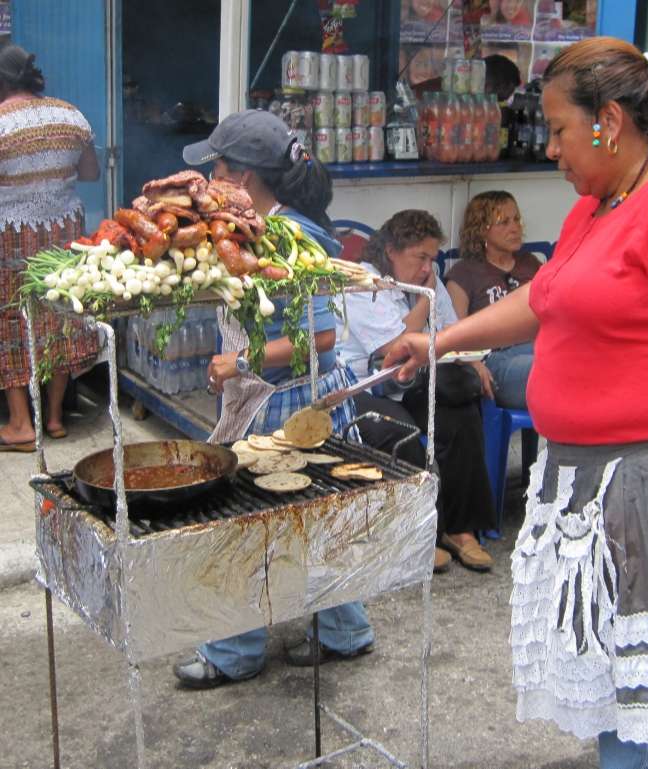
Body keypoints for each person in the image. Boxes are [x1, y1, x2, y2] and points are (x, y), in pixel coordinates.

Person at [383, 38, 648, 769]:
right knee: (612, 691)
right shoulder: (600, 205)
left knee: (643, 705)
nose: (553, 149)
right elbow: (546, 297)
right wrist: (440, 340)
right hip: (589, 486)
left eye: (561, 131)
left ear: (612, 122)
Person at [172, 110, 374, 689]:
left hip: (292, 406)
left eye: (216, 167)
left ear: (245, 179)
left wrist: (236, 362)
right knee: (311, 526)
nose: (209, 177)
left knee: (246, 528)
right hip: (278, 398)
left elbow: (322, 339)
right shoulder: (258, 228)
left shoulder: (290, 238)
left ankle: (233, 653)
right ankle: (345, 630)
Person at [336, 210, 495, 574]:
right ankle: (419, 536)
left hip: (409, 378)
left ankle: (460, 528)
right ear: (391, 251)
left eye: (432, 258)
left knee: (460, 406)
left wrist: (473, 362)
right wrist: (424, 299)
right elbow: (396, 345)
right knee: (399, 430)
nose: (428, 267)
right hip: (365, 385)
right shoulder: (366, 284)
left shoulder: (427, 277)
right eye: (420, 258)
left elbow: (453, 329)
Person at [0, 45, 100, 451]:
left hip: (11, 235)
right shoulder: (71, 115)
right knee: (58, 317)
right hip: (64, 230)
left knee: (11, 320)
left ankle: (22, 424)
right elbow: (90, 172)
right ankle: (56, 417)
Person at [446, 191, 539, 410]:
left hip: (539, 346)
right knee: (551, 368)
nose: (515, 228)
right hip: (495, 360)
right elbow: (451, 330)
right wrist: (473, 363)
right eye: (503, 222)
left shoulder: (530, 264)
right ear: (481, 230)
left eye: (517, 219)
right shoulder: (464, 273)